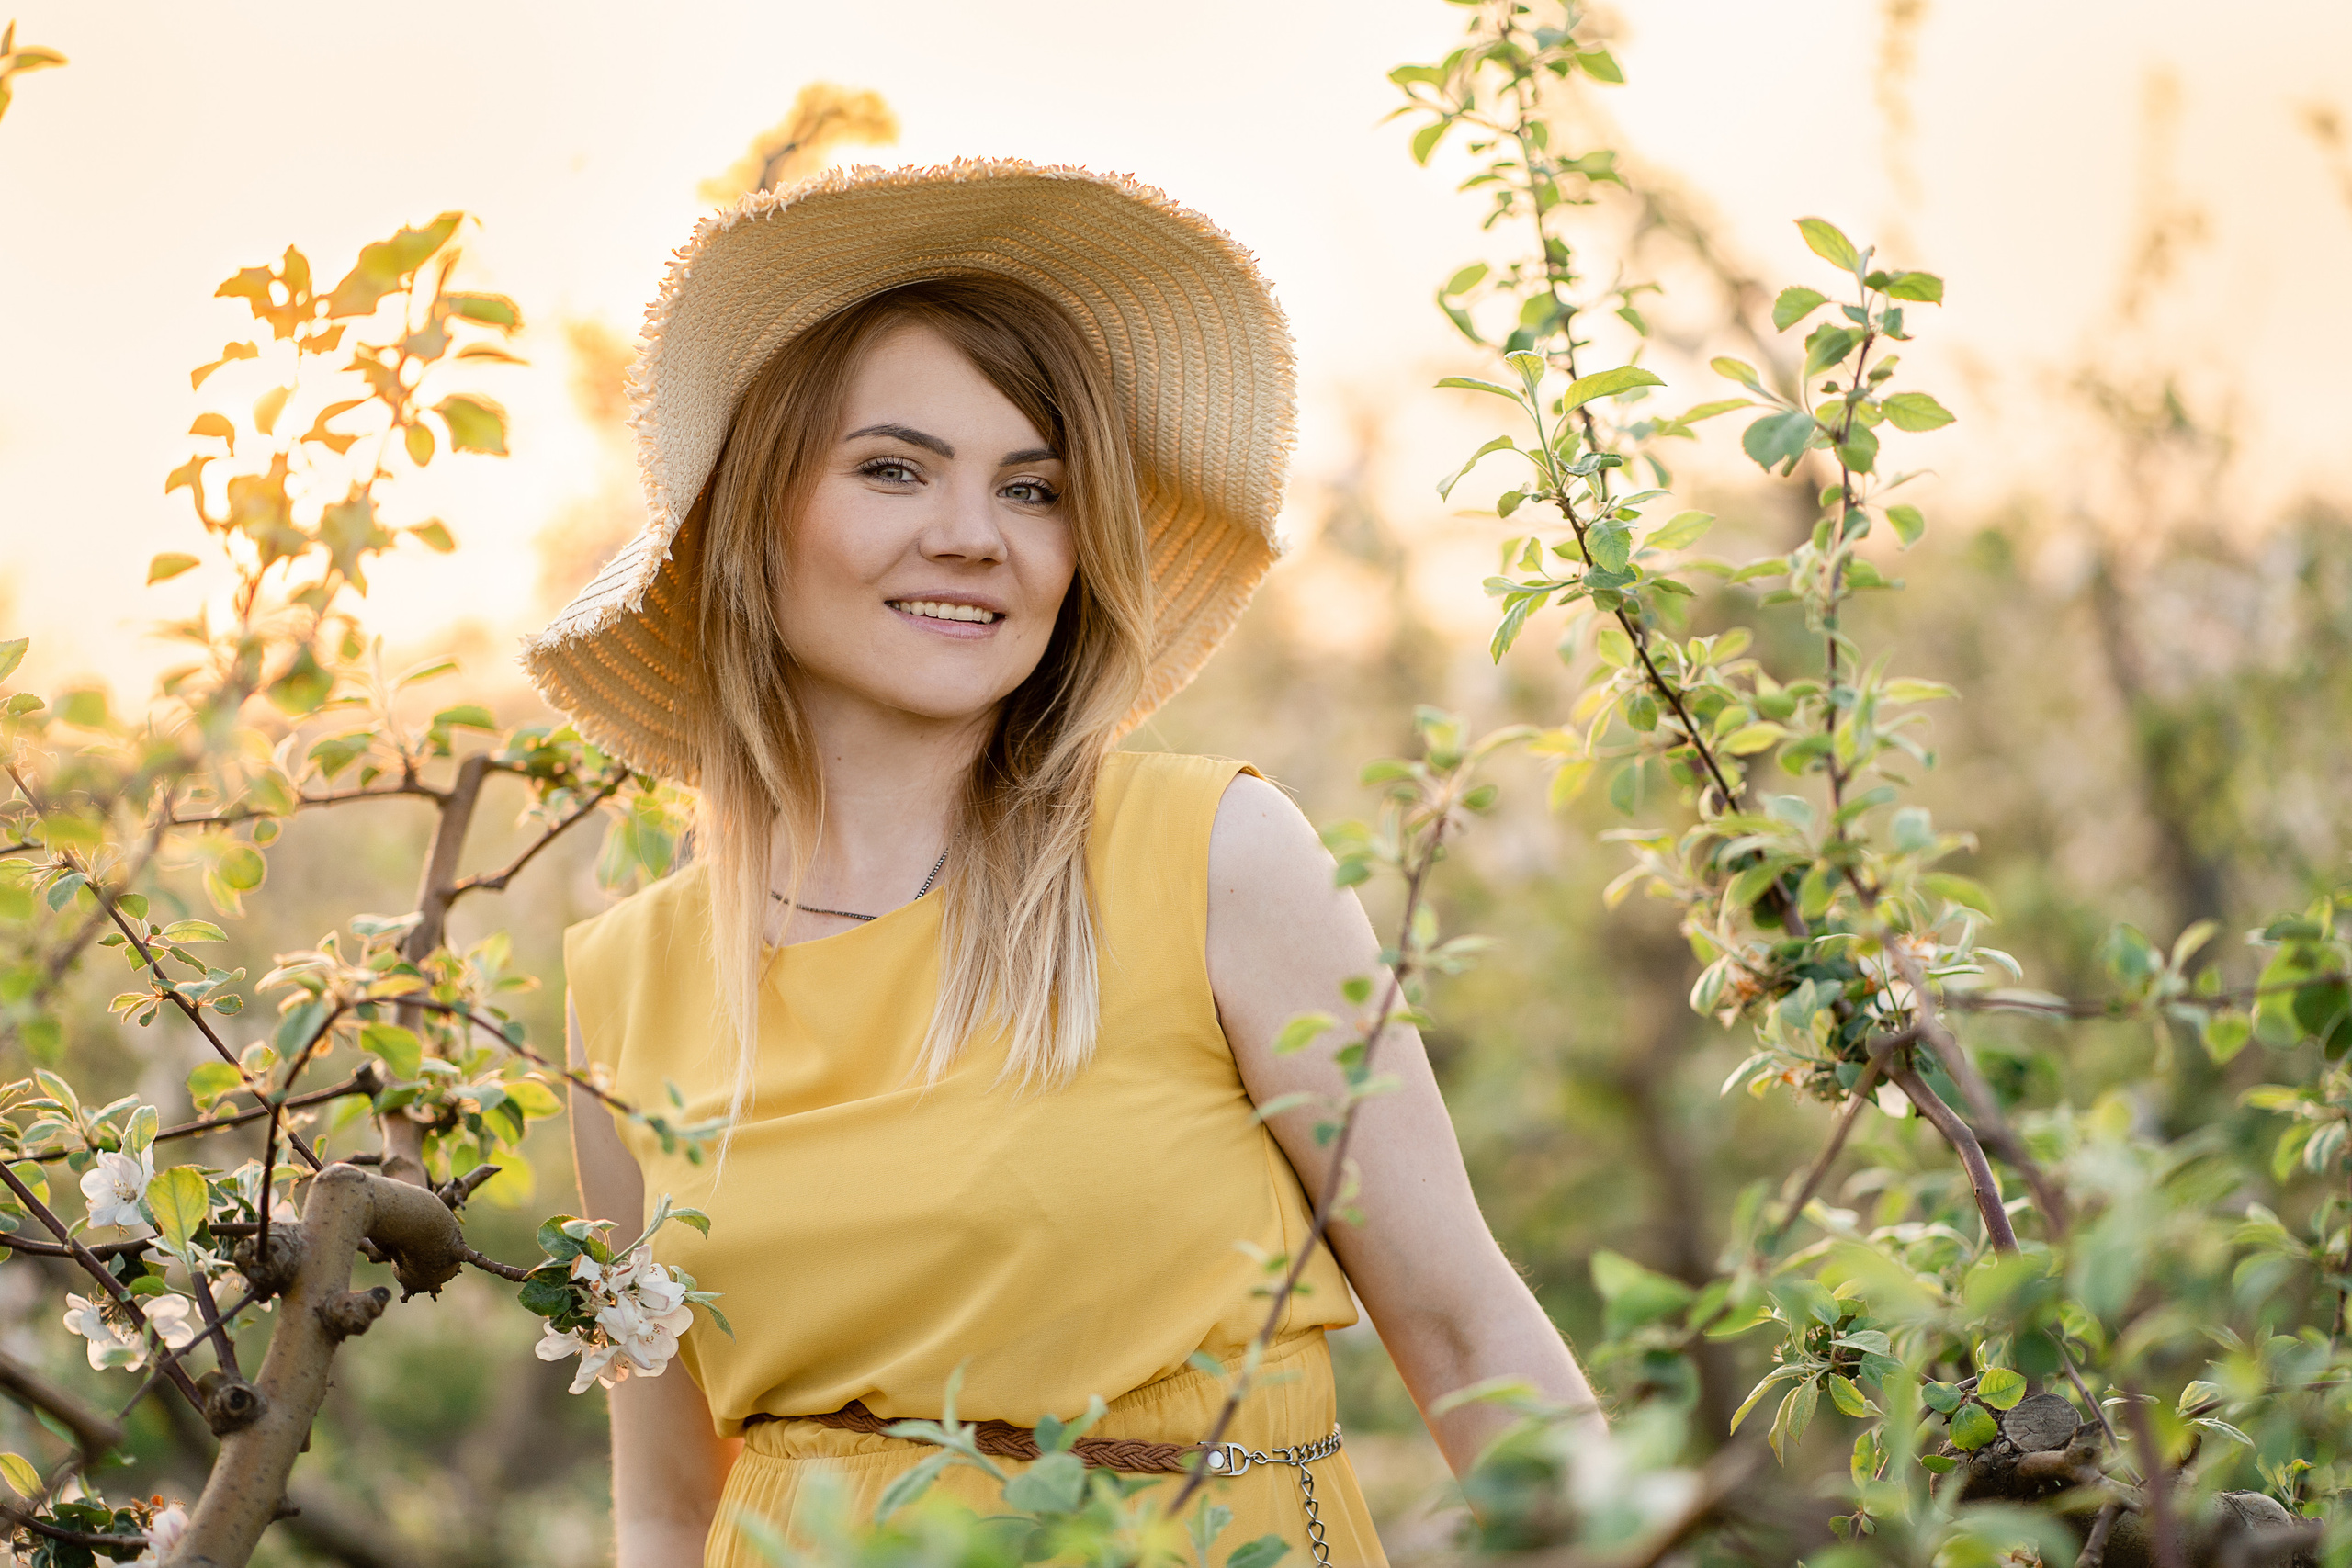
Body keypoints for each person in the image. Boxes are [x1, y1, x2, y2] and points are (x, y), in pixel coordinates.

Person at [529, 160, 1605, 1568]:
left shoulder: (1211, 855)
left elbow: (1466, 1329)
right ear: (754, 521)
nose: (972, 536)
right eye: (893, 468)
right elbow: (667, 1500)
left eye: (1032, 489)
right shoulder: (629, 987)